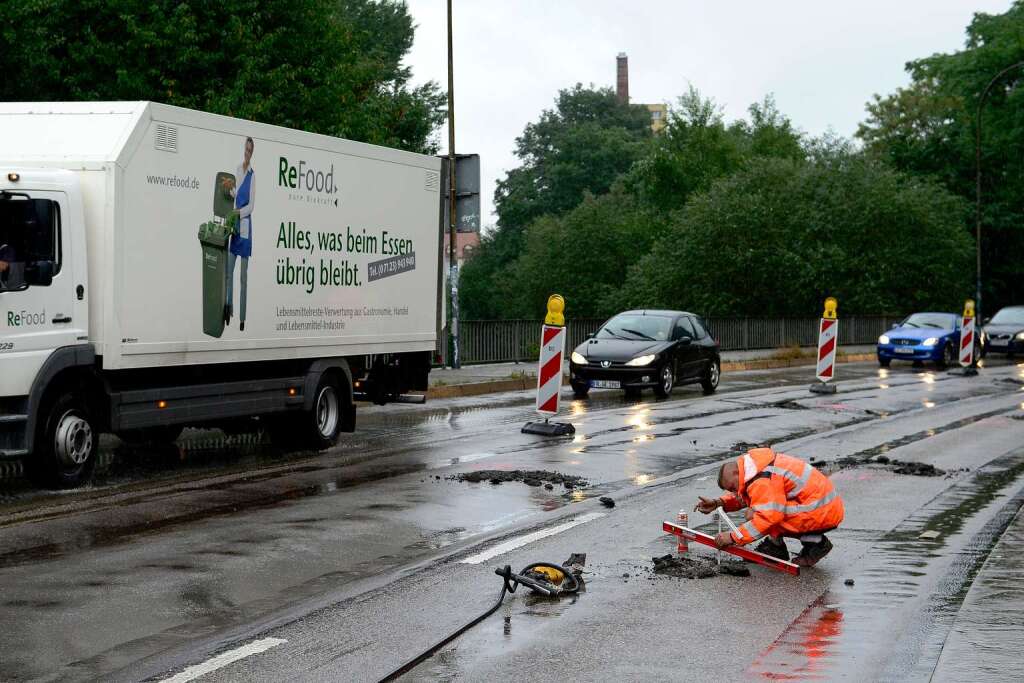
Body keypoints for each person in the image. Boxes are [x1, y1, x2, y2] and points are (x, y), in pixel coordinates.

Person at [694, 447, 844, 567]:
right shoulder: (756, 467)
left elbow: (768, 515)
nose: (734, 491)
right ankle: (806, 542)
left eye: (732, 487)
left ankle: (809, 544)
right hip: (822, 509)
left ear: (735, 472)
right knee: (762, 510)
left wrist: (733, 537)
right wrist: (719, 502)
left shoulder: (762, 479)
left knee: (759, 514)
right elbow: (750, 496)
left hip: (821, 511)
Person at [223, 136, 255, 331]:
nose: (247, 152)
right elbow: (236, 194)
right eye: (246, 148)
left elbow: (251, 206)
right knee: (229, 272)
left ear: (253, 152)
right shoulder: (237, 169)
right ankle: (228, 308)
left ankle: (242, 319)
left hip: (245, 228)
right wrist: (230, 189)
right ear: (243, 149)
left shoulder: (253, 176)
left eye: (250, 150)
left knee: (243, 277)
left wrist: (238, 212)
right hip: (235, 226)